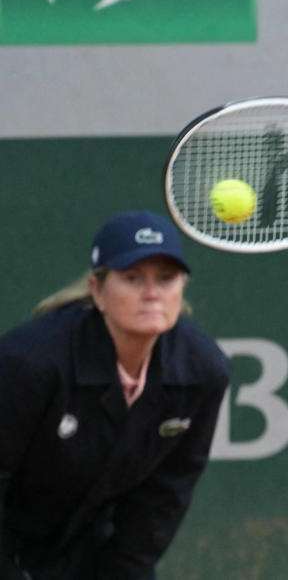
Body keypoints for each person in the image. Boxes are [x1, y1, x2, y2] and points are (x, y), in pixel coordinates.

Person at [0, 211, 230, 579]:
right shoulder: (31, 363)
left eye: (166, 278)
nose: (152, 293)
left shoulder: (203, 371)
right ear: (97, 291)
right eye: (132, 278)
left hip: (85, 549)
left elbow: (163, 497)